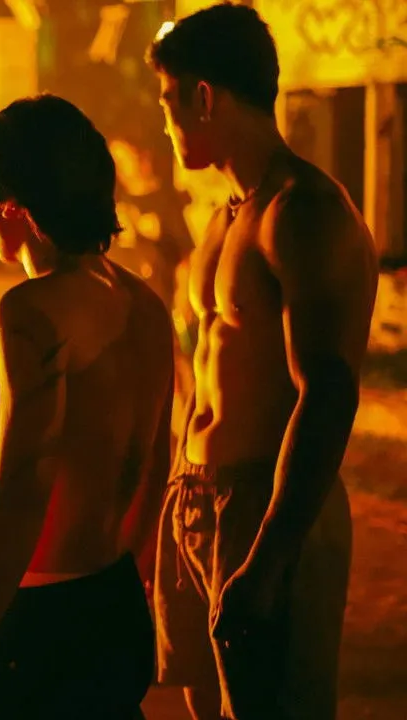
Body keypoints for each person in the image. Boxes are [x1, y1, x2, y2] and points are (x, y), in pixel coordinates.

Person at [147, 5, 378, 719]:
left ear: (204, 97)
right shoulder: (224, 217)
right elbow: (206, 374)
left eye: (167, 102)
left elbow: (327, 391)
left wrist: (271, 556)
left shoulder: (303, 212)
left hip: (264, 506)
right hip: (199, 498)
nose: (163, 124)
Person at [0, 94, 174, 720]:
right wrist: (130, 573)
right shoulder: (144, 304)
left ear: (11, 207)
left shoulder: (32, 311)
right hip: (114, 589)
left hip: (44, 607)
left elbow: (22, 485)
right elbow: (156, 457)